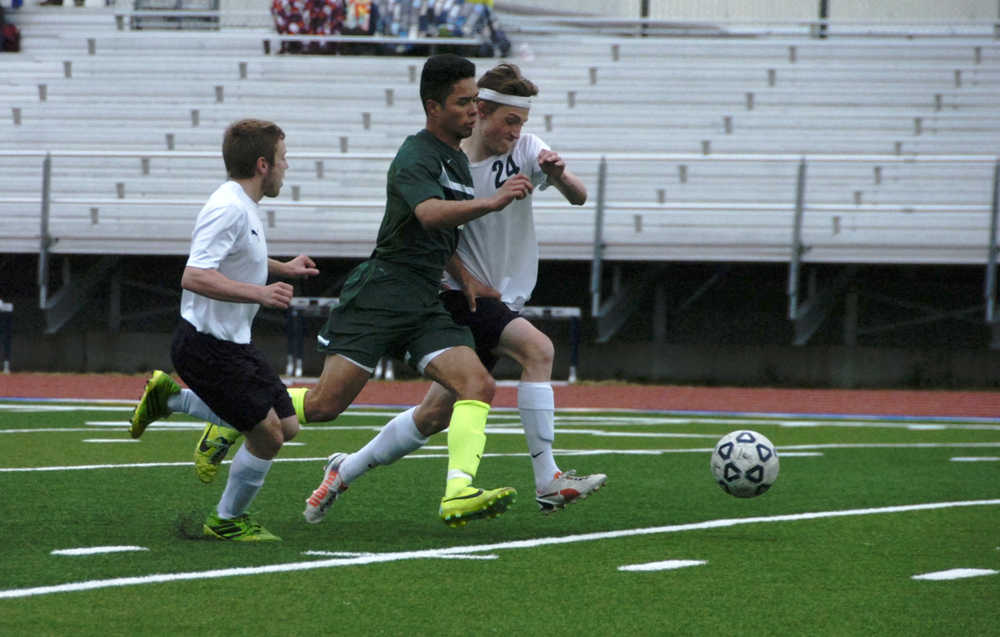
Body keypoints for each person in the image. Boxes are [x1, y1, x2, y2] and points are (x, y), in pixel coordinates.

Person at [141, 55, 532, 528]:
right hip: (381, 294)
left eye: (474, 101)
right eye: (463, 102)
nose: (474, 110)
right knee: (324, 405)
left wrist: (464, 275)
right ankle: (225, 416)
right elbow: (428, 213)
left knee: (479, 384)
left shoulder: (453, 158)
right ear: (434, 107)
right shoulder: (416, 155)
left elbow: (432, 232)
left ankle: (457, 491)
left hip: (424, 300)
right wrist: (492, 201)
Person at [303, 63, 605, 524]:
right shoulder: (443, 156)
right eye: (507, 120)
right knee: (537, 351)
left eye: (521, 123)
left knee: (432, 415)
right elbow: (432, 218)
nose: (516, 131)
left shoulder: (515, 149)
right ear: (480, 112)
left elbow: (579, 195)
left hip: (493, 295)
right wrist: (469, 264)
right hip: (456, 298)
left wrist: (559, 175)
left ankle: (343, 470)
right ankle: (546, 480)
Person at [129, 119, 319, 542]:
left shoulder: (244, 205)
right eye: (284, 160)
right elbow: (194, 275)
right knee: (267, 435)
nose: (288, 168)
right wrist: (260, 293)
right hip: (206, 345)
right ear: (263, 165)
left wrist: (282, 268)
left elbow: (237, 255)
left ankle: (171, 400)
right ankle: (226, 520)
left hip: (234, 342)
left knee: (287, 427)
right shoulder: (228, 206)